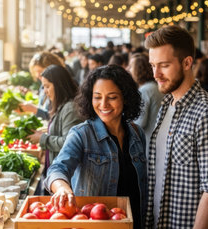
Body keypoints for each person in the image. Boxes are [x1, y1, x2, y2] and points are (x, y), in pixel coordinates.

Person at [145, 25, 208, 228]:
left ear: (187, 62)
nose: (156, 74)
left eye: (164, 65)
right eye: (152, 65)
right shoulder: (165, 106)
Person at [44, 65, 147, 229]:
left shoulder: (137, 133)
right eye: (97, 97)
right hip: (98, 225)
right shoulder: (81, 134)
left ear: (125, 98)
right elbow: (58, 168)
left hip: (133, 222)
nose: (103, 104)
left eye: (112, 97)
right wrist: (62, 189)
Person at [27, 65, 82, 195]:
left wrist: (43, 139)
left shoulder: (70, 109)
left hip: (65, 179)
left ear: (58, 85)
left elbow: (69, 143)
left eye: (47, 86)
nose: (45, 91)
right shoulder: (62, 105)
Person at [127, 53, 163, 152]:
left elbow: (140, 122)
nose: (128, 69)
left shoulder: (145, 90)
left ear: (139, 69)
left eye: (131, 67)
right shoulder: (154, 86)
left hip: (148, 143)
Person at [22, 51, 65, 120]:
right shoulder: (43, 86)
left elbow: (55, 118)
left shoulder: (57, 89)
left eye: (41, 71)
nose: (37, 75)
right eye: (36, 72)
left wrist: (34, 109)